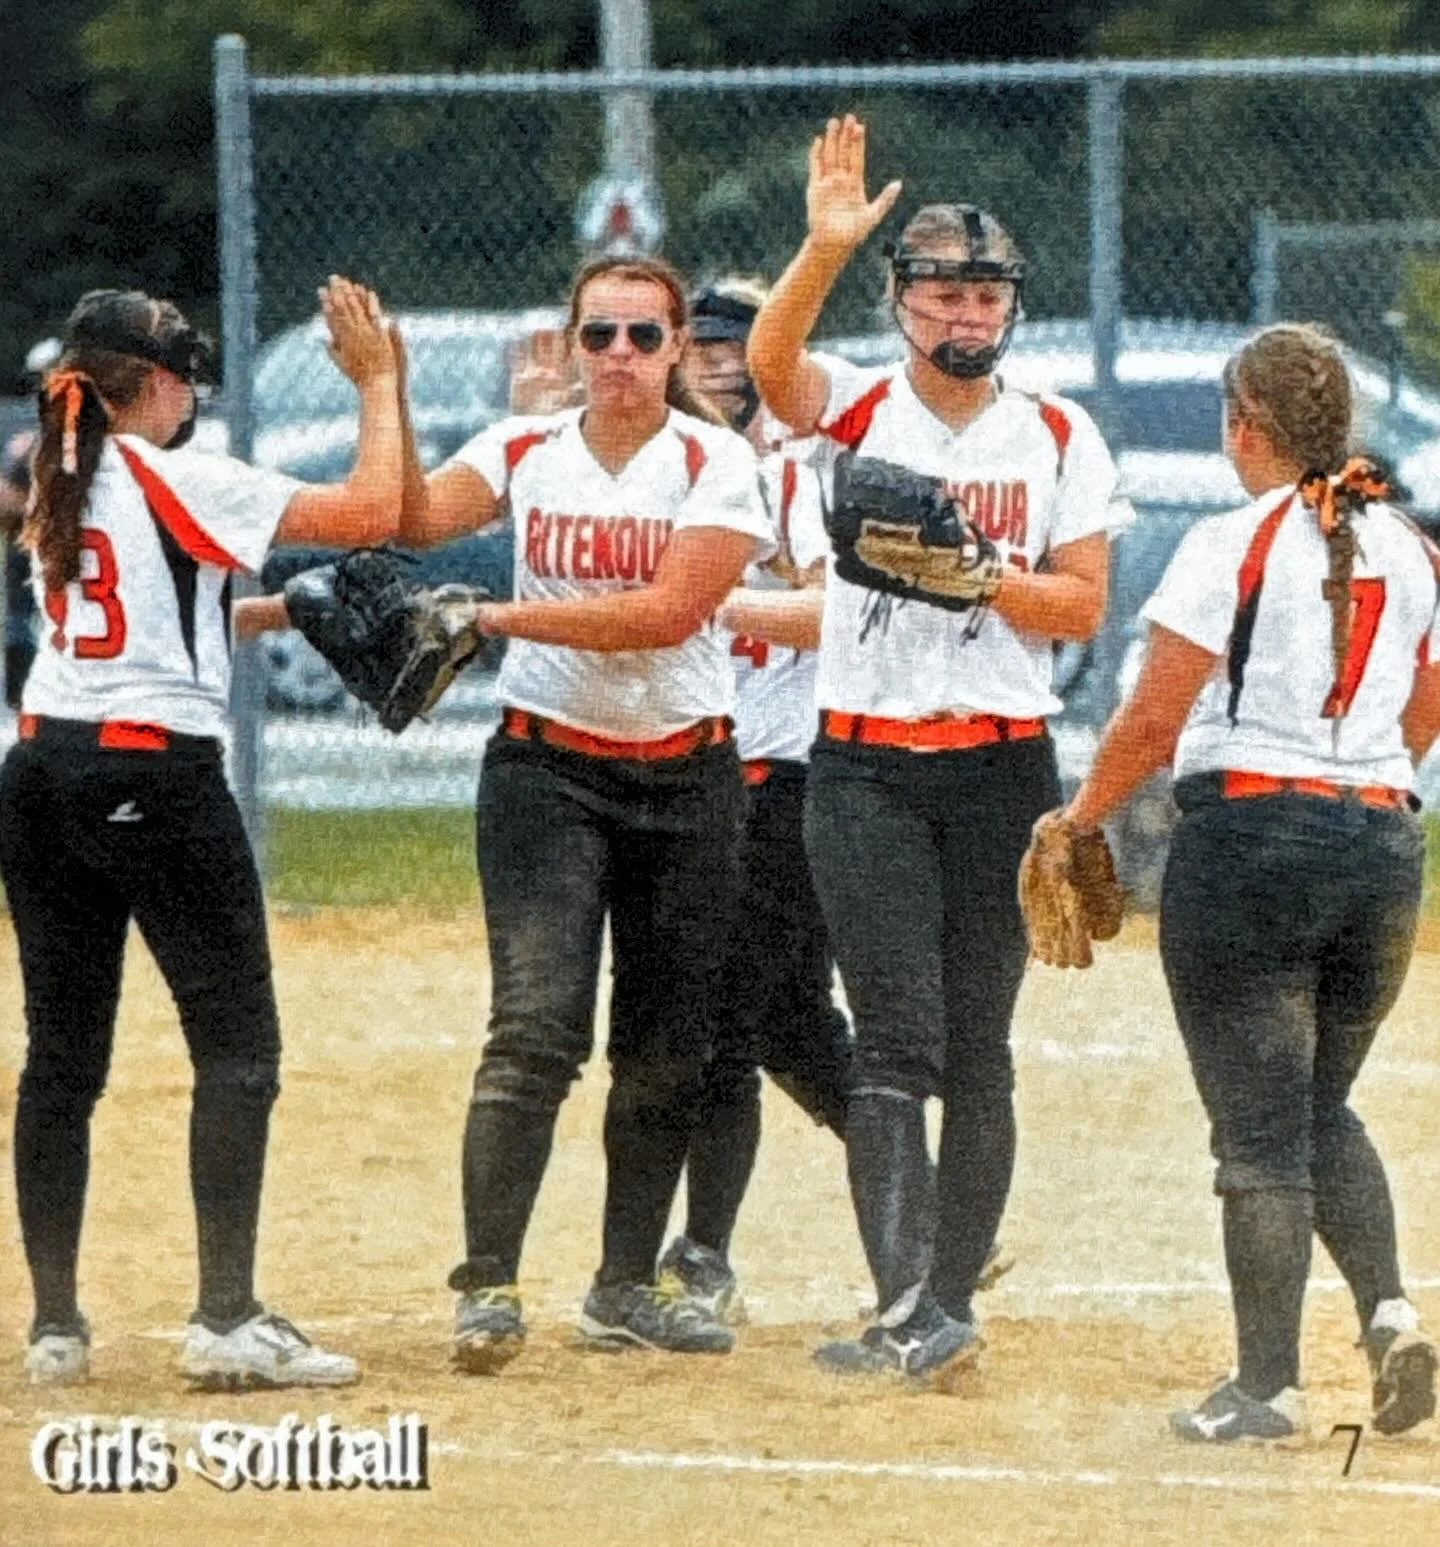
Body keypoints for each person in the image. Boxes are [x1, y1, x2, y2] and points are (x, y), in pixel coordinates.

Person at [748, 114, 1130, 1381]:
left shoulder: (1059, 433)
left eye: (984, 292)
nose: (965, 314)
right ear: (903, 301)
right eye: (940, 292)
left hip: (1001, 764)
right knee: (895, 1035)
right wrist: (822, 248)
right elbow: (770, 362)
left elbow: (1079, 604)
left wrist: (975, 574)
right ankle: (902, 1292)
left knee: (979, 1046)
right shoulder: (860, 405)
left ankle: (947, 1299)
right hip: (861, 764)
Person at [4, 277, 402, 1388]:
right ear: (164, 387)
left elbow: (157, 596)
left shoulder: (61, 468)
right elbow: (373, 511)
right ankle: (226, 1315)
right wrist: (379, 383)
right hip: (153, 770)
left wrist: (281, 608)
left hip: (41, 766)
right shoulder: (172, 468)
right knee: (239, 1048)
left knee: (62, 1059)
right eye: (186, 380)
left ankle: (55, 1326)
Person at [1050, 322, 1440, 1442]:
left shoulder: (1234, 540)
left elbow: (1155, 715)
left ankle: (1265, 1386)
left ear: (1244, 425)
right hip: (1381, 846)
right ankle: (1392, 1312)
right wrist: (1359, 778)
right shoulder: (1407, 543)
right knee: (1317, 1106)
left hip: (1254, 842)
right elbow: (1427, 697)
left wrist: (1081, 818)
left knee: (1260, 1133)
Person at [395, 253, 773, 1370]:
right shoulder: (522, 449)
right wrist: (385, 384)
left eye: (644, 337)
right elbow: (408, 516)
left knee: (666, 1048)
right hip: (546, 773)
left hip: (689, 776)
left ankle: (622, 1283)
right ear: (566, 346)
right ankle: (489, 1285)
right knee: (536, 1030)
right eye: (597, 334)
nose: (619, 356)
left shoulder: (716, 461)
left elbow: (667, 613)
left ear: (674, 352)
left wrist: (493, 616)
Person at [654, 279, 853, 1319]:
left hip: (783, 770)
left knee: (738, 1021)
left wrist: (709, 597)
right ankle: (921, 1190)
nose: (724, 364)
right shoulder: (669, 476)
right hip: (687, 769)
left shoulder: (787, 478)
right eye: (706, 347)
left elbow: (833, 610)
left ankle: (706, 1256)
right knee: (778, 1017)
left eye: (740, 348)